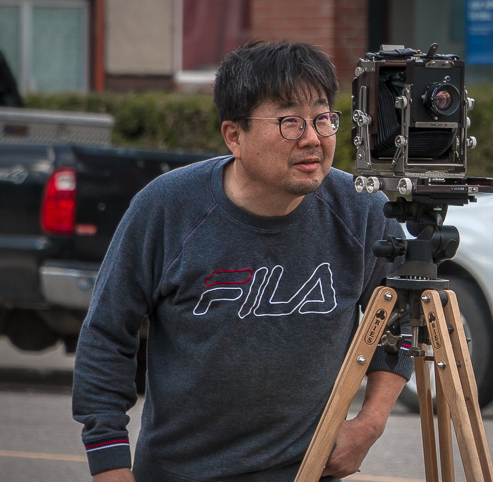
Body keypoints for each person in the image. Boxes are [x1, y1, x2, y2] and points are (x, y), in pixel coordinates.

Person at [72, 41, 413, 482]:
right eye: (289, 121)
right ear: (234, 136)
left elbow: (402, 318)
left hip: (308, 472)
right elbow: (106, 336)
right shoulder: (167, 208)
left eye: (323, 117)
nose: (312, 137)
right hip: (179, 472)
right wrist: (110, 465)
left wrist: (369, 424)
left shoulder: (361, 209)